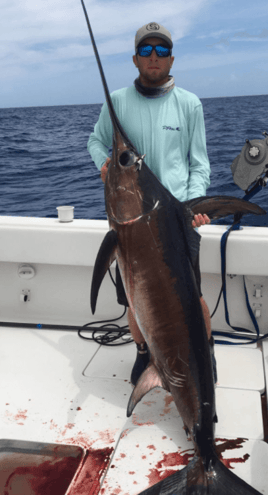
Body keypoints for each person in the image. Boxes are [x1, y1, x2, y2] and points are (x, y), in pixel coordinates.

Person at [88, 22, 217, 386]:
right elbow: (96, 141)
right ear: (135, 59)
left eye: (161, 50)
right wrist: (103, 164)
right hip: (130, 221)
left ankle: (204, 353)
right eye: (146, 50)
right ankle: (145, 353)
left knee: (193, 295)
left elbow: (199, 163)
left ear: (172, 58)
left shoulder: (190, 104)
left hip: (176, 219)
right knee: (134, 297)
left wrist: (193, 205)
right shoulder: (116, 101)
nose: (154, 56)